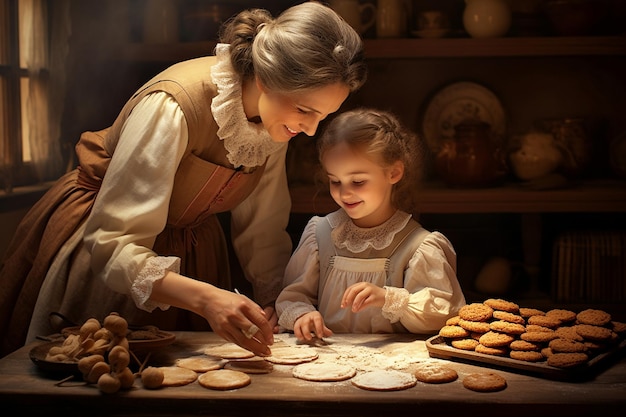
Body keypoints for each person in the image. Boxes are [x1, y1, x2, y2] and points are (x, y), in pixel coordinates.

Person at [0, 1, 367, 358]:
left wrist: (276, 300)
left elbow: (262, 230)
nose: (309, 129)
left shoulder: (278, 123)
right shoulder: (175, 104)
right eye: (305, 110)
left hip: (191, 251)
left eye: (321, 116)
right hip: (105, 246)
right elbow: (112, 243)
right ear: (266, 78)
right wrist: (206, 298)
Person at [275, 108, 466, 341]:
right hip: (326, 361)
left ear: (394, 173)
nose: (344, 193)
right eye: (335, 181)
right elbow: (292, 297)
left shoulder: (419, 246)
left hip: (392, 367)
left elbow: (443, 314)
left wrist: (389, 298)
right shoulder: (320, 234)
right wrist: (301, 316)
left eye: (357, 181)